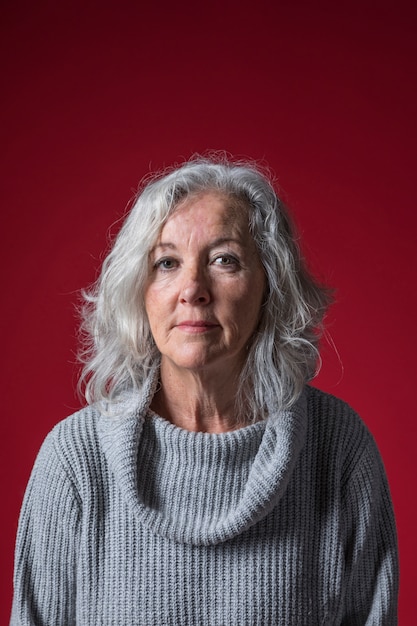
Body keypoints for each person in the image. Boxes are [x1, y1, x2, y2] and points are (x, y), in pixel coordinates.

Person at [11, 155, 399, 625]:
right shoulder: (76, 460)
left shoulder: (337, 450)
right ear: (140, 290)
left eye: (224, 260)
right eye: (167, 263)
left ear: (270, 286)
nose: (192, 288)